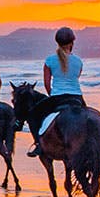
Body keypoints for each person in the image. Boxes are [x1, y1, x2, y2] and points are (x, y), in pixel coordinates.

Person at [26, 27, 86, 157]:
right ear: (72, 42)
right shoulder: (78, 61)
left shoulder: (50, 60)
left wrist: (51, 95)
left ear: (57, 42)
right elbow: (76, 77)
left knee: (34, 115)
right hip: (77, 97)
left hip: (57, 97)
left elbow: (47, 83)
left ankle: (38, 144)